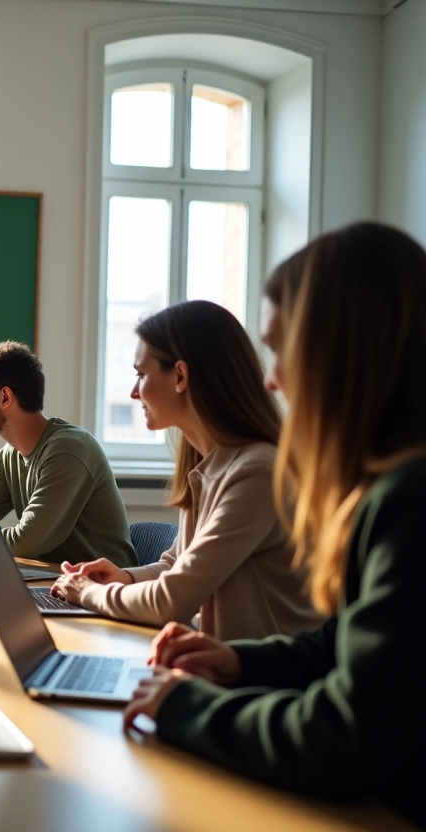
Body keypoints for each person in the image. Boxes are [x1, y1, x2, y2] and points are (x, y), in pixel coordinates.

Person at [123, 222, 426, 828]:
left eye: (282, 349)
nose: (271, 378)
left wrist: (187, 709)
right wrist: (240, 663)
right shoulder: (387, 492)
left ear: (342, 354)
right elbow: (340, 645)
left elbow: (345, 738)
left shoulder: (409, 503)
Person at [50, 301, 321, 640]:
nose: (134, 393)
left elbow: (172, 600)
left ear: (180, 376)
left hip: (263, 680)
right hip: (219, 665)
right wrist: (123, 578)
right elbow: (175, 565)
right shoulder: (206, 464)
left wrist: (88, 593)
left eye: (141, 375)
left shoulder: (257, 473)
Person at [0, 340, 135, 566]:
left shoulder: (69, 450)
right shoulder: (10, 456)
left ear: (5, 397)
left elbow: (27, 542)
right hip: (53, 583)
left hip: (102, 591)